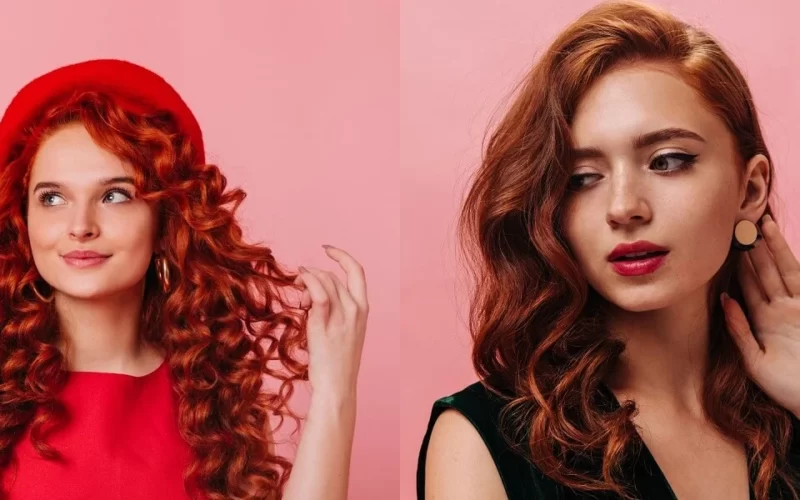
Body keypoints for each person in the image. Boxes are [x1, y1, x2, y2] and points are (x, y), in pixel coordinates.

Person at [418, 1, 800, 499]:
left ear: (749, 192)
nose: (623, 207)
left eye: (667, 161)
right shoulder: (486, 442)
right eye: (582, 178)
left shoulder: (789, 413)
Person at [0, 59, 369, 500]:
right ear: (24, 222)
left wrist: (334, 390)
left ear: (165, 221)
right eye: (53, 197)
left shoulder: (212, 401)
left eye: (115, 195)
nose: (80, 225)